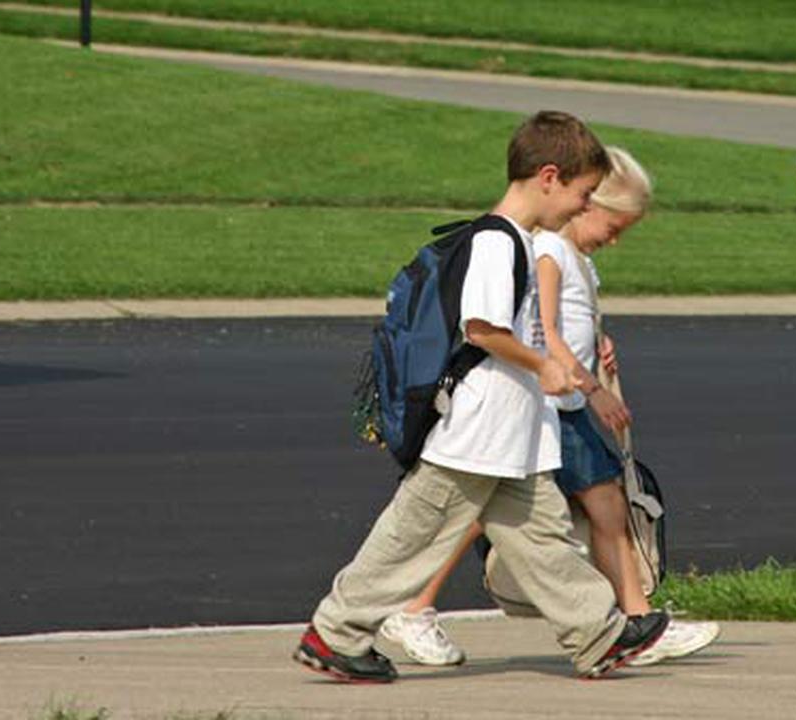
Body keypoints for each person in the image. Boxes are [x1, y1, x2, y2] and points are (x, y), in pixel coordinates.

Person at [293, 112, 669, 683]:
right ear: (549, 177)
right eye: (582, 193)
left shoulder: (516, 239)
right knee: (411, 536)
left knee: (542, 536)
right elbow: (483, 329)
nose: (581, 207)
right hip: (477, 433)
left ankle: (598, 633)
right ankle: (336, 633)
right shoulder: (497, 241)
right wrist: (546, 365)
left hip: (510, 434)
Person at [379, 147, 720, 669]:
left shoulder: (575, 257)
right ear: (583, 205)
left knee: (583, 508)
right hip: (550, 404)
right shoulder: (550, 253)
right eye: (612, 223)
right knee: (524, 510)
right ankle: (630, 620)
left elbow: (570, 326)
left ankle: (629, 619)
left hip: (560, 402)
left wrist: (599, 347)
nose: (615, 237)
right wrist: (593, 387)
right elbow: (544, 331)